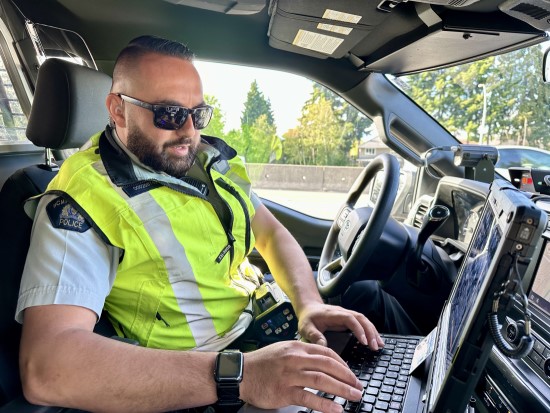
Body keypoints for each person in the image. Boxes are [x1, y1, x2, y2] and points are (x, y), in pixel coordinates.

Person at [16, 35, 386, 413]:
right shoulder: (81, 200)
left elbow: (270, 233)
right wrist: (243, 376)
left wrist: (308, 304)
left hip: (264, 329)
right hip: (210, 383)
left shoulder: (201, 159)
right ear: (118, 110)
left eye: (199, 113)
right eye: (170, 114)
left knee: (374, 307)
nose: (189, 130)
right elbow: (48, 367)